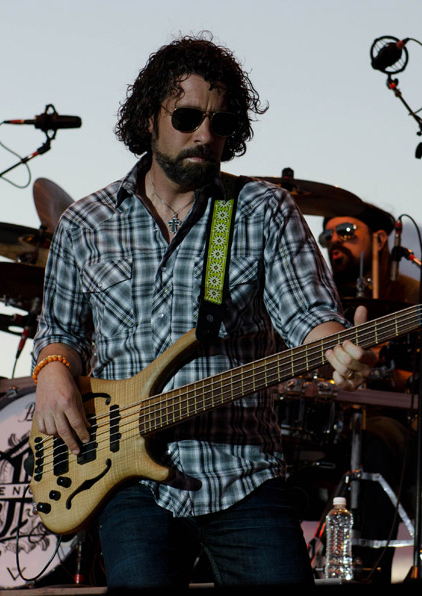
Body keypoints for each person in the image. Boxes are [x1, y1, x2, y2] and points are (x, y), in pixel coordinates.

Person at [31, 34, 375, 589]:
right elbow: (60, 330)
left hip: (244, 473)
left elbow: (308, 317)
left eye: (219, 123)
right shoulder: (86, 223)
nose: (204, 135)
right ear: (149, 118)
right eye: (188, 116)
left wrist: (337, 344)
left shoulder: (260, 210)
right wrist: (51, 373)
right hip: (128, 483)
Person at [318, 206, 422, 583]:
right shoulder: (315, 292)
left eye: (346, 230)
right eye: (328, 235)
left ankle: (370, 572)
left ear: (381, 239)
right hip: (318, 420)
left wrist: (389, 371)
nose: (335, 240)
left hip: (383, 420)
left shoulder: (413, 295)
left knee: (381, 442)